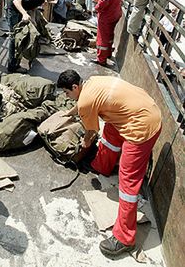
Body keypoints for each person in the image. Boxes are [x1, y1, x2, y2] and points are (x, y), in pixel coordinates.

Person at [57, 70, 162, 259]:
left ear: (75, 87)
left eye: (67, 93)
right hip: (145, 110)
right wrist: (69, 112)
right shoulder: (93, 83)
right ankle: (102, 165)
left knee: (128, 182)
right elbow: (84, 106)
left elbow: (90, 132)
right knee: (111, 129)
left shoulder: (86, 101)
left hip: (141, 127)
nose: (66, 96)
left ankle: (125, 239)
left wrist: (85, 144)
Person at [6, 0, 62, 73]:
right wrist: (24, 13)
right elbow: (16, 1)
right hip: (13, 9)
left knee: (23, 36)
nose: (53, 1)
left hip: (21, 10)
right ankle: (12, 66)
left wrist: (33, 19)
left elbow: (32, 9)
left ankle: (17, 62)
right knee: (14, 38)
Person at [92, 0, 126, 66]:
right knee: (110, 35)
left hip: (106, 15)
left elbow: (103, 1)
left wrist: (96, 9)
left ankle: (101, 59)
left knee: (102, 37)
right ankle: (107, 54)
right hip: (116, 13)